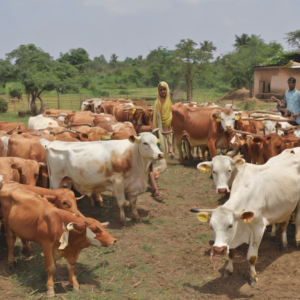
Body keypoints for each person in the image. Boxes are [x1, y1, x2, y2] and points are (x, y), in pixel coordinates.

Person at [152, 81, 175, 155]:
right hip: (160, 126)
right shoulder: (157, 102)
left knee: (169, 139)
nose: (162, 91)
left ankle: (170, 150)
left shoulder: (169, 102)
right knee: (161, 143)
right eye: (160, 90)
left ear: (167, 90)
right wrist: (159, 129)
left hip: (168, 125)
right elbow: (157, 117)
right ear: (158, 91)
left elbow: (170, 114)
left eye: (164, 89)